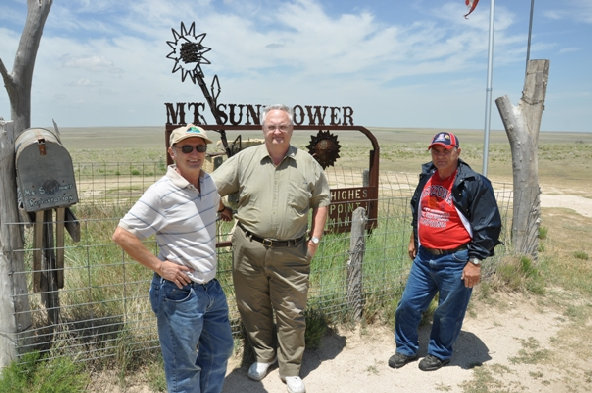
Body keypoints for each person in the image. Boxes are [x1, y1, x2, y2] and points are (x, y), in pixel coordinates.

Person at [212, 104, 330, 393]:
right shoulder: (246, 159)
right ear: (263, 129)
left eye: (283, 127)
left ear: (292, 130)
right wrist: (222, 209)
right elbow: (211, 186)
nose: (277, 132)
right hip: (248, 248)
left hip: (292, 251)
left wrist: (314, 240)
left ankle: (290, 369)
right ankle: (263, 356)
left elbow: (322, 200)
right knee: (253, 306)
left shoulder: (307, 163)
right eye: (271, 126)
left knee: (291, 311)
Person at [112, 124, 234, 393]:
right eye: (186, 148)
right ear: (172, 152)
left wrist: (226, 210)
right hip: (179, 291)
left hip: (210, 287)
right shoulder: (162, 192)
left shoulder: (208, 182)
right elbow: (122, 235)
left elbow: (215, 202)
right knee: (183, 369)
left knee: (220, 350)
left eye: (200, 147)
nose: (195, 154)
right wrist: (159, 265)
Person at [389, 131, 501, 371]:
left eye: (446, 151)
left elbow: (488, 226)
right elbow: (418, 210)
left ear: (457, 152)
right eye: (436, 151)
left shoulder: (474, 183)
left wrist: (475, 262)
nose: (440, 156)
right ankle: (406, 348)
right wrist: (414, 239)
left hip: (456, 259)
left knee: (448, 311)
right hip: (425, 257)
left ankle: (439, 353)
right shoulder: (427, 176)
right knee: (408, 305)